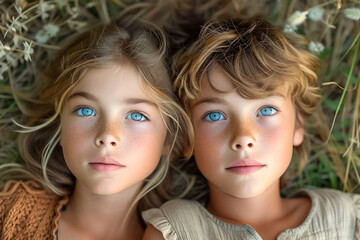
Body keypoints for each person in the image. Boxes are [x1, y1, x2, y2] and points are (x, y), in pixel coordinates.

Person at [142, 17, 360, 240]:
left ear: (298, 126)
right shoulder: (176, 231)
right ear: (187, 137)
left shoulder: (346, 218)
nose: (244, 137)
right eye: (215, 115)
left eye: (266, 111)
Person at [0, 21, 193, 240]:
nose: (107, 136)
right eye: (85, 111)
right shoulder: (10, 215)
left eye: (137, 115)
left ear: (168, 139)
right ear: (60, 126)